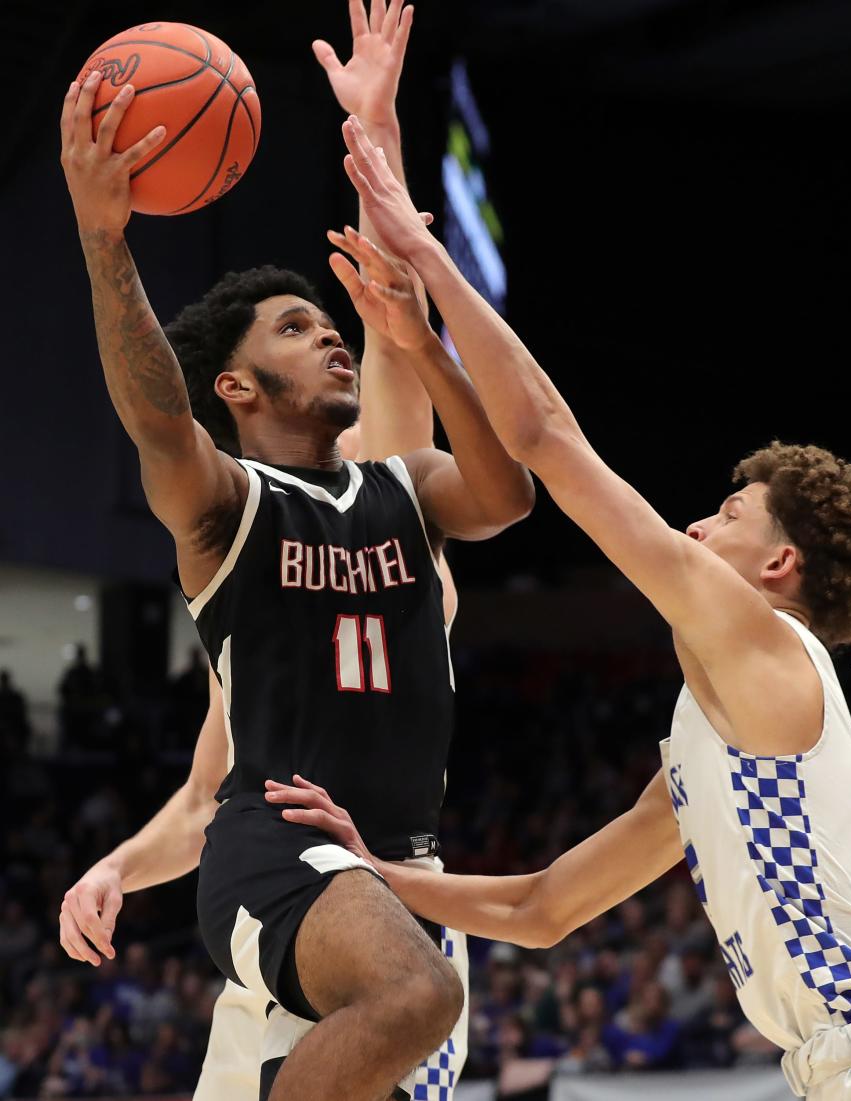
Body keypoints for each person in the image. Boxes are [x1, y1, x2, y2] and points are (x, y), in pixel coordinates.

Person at [272, 115, 851, 1100]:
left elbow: (546, 436)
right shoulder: (709, 737)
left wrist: (426, 263)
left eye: (728, 514)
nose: (694, 526)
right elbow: (545, 906)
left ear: (779, 565)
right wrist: (367, 872)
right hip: (848, 1067)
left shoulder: (769, 648)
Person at [58, 8, 535, 1098]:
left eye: (329, 325)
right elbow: (156, 421)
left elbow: (419, 356)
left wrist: (378, 139)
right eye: (291, 327)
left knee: (411, 993)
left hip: (399, 883)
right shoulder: (234, 510)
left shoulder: (401, 490)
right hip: (287, 864)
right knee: (415, 995)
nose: (327, 331)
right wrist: (102, 239)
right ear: (237, 388)